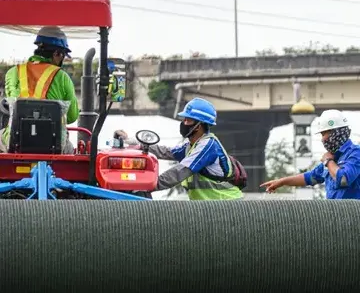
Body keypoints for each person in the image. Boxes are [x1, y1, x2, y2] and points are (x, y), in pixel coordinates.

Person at [114, 97, 242, 200]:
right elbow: (165, 151)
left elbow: (180, 172)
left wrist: (147, 184)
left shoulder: (208, 146)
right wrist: (131, 142)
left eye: (187, 120)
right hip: (208, 207)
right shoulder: (192, 146)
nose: (183, 123)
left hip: (227, 205)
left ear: (198, 125)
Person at [2, 26, 79, 152]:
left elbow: (12, 105)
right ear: (57, 54)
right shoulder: (62, 77)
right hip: (54, 144)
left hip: (16, 142)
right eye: (63, 55)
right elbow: (71, 117)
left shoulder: (13, 72)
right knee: (69, 148)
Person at [260, 109, 360, 199]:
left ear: (337, 132)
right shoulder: (333, 158)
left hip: (353, 216)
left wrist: (328, 161)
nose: (322, 139)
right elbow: (310, 177)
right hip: (335, 215)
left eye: (324, 133)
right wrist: (281, 182)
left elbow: (343, 179)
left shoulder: (355, 153)